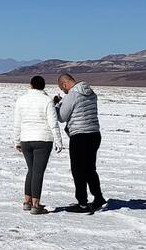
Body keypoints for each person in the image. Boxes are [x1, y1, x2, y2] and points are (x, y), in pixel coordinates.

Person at [54, 73, 106, 214]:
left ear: (64, 84)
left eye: (62, 88)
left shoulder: (72, 95)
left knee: (78, 170)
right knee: (90, 169)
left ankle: (82, 203)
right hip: (94, 134)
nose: (64, 91)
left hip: (80, 136)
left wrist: (57, 105)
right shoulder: (90, 92)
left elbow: (61, 117)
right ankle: (98, 197)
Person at [13, 75, 65, 215]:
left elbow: (17, 122)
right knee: (37, 172)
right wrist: (58, 141)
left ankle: (27, 201)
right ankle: (36, 205)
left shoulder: (21, 100)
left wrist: (17, 140)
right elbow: (53, 122)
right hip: (43, 139)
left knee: (31, 170)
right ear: (43, 86)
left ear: (30, 85)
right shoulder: (47, 101)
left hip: (26, 139)